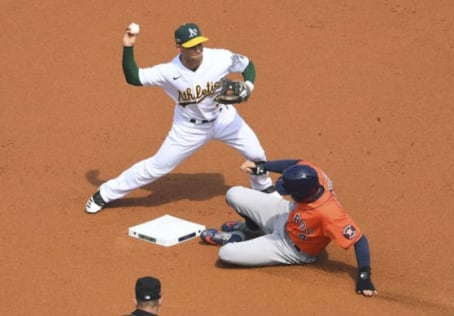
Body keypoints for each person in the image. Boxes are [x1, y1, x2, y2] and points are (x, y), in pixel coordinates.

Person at [85, 22, 275, 214]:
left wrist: (249, 85)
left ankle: (262, 186)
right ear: (179, 47)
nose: (198, 49)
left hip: (225, 118)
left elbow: (247, 64)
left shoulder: (220, 57)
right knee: (156, 167)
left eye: (200, 43)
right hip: (189, 128)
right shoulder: (169, 71)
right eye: (192, 45)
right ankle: (105, 193)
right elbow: (134, 77)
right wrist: (128, 46)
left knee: (256, 154)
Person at [200, 159, 378, 297]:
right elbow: (295, 163)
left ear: (302, 193)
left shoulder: (330, 215)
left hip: (289, 248)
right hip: (285, 214)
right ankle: (252, 230)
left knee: (226, 253)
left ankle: (236, 239)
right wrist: (262, 166)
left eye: (289, 190)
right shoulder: (313, 174)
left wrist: (364, 277)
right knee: (234, 194)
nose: (286, 192)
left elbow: (360, 240)